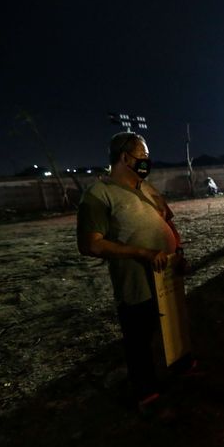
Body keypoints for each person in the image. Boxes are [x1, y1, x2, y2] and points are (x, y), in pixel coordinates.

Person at [77, 132, 183, 413]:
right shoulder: (99, 194)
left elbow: (168, 222)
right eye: (142, 157)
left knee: (173, 327)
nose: (147, 162)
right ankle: (147, 393)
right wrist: (142, 253)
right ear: (124, 158)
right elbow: (90, 244)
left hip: (166, 276)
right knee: (139, 340)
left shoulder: (147, 189)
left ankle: (180, 368)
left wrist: (178, 251)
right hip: (136, 284)